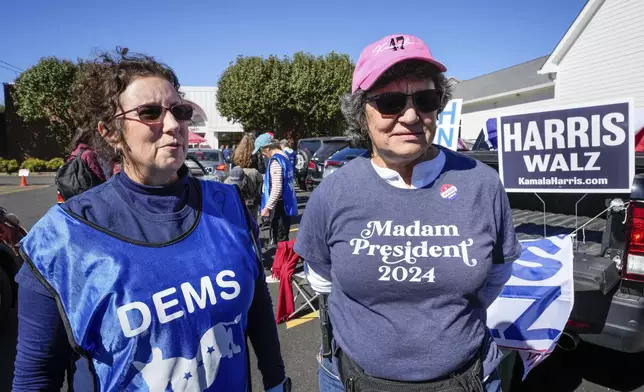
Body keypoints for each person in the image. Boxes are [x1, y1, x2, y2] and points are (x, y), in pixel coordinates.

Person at [13, 49, 290, 392]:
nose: (173, 124)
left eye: (180, 111)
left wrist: (277, 381)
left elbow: (259, 310)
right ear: (110, 132)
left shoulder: (228, 205)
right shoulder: (61, 240)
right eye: (150, 113)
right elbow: (36, 376)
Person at [294, 34, 522, 392]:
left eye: (426, 100)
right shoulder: (334, 192)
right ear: (360, 112)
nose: (412, 115)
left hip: (465, 379)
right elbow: (322, 280)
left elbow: (497, 272)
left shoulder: (481, 184)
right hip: (353, 380)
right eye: (390, 102)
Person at [254, 133, 298, 245]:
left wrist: (267, 208)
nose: (262, 154)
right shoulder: (285, 157)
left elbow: (277, 188)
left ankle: (283, 262)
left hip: (280, 206)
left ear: (267, 148)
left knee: (281, 240)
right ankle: (284, 260)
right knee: (283, 238)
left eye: (261, 150)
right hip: (287, 204)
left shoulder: (276, 161)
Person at [229, 133, 264, 218]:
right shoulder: (256, 154)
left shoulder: (236, 153)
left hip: (239, 180)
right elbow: (262, 169)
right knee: (252, 213)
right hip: (252, 182)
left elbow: (233, 167)